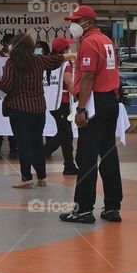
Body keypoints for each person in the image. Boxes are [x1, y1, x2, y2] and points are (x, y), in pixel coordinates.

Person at [59, 5, 122, 224]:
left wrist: (81, 109)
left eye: (75, 21)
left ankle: (84, 210)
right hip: (110, 101)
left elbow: (87, 78)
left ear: (87, 22)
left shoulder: (88, 43)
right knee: (108, 154)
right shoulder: (106, 41)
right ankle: (112, 207)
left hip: (94, 102)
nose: (72, 25)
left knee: (86, 157)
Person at [0, 32, 64, 189]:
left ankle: (26, 178)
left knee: (23, 145)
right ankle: (41, 177)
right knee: (37, 143)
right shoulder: (39, 60)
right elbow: (55, 60)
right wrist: (71, 55)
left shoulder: (12, 64)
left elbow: (6, 86)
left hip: (19, 109)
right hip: (38, 108)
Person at [45, 36, 78, 175]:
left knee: (66, 134)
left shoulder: (48, 62)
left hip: (51, 102)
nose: (70, 49)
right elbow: (69, 83)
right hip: (62, 102)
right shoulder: (65, 64)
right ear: (64, 50)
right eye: (68, 47)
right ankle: (39, 154)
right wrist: (77, 96)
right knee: (65, 134)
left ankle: (69, 165)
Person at [0, 32, 18, 161]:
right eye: (11, 42)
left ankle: (14, 146)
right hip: (0, 91)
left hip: (13, 93)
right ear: (5, 43)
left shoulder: (17, 56)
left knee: (14, 121)